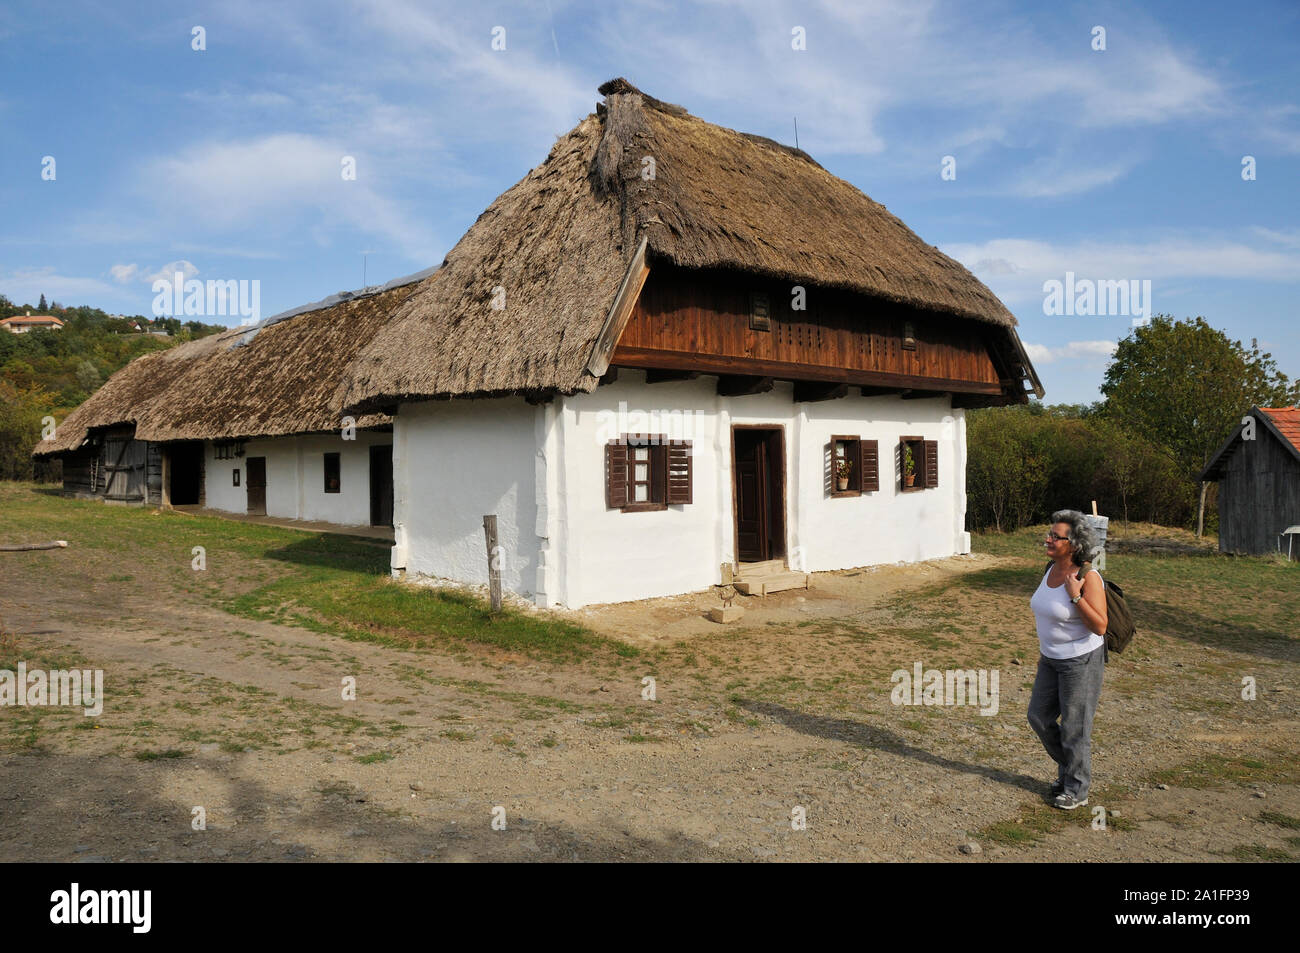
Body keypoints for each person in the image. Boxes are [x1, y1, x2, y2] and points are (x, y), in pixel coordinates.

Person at [1027, 509, 1108, 810]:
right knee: (1038, 717)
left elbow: (1100, 625)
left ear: (1073, 544)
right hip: (1050, 658)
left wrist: (1076, 596)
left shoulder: (1089, 577)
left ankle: (1076, 788)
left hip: (1080, 661)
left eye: (1055, 537)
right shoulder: (1050, 567)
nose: (1047, 539)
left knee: (1075, 727)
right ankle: (1072, 769)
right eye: (1049, 534)